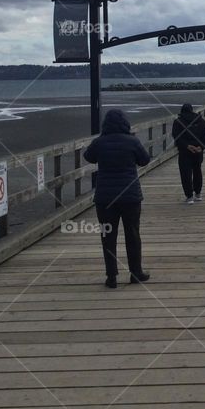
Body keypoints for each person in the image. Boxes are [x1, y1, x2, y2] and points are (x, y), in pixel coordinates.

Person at [83, 109, 151, 288]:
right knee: (133, 234)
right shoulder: (132, 141)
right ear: (124, 123)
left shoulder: (99, 142)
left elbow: (88, 157)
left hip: (105, 198)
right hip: (130, 196)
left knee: (108, 236)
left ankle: (111, 276)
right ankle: (136, 273)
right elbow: (145, 160)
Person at [172, 103, 205, 205]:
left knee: (185, 173)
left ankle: (189, 196)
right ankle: (198, 194)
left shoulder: (178, 121)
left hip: (185, 151)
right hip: (198, 150)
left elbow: (177, 137)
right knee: (197, 170)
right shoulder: (200, 120)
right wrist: (201, 146)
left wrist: (187, 146)